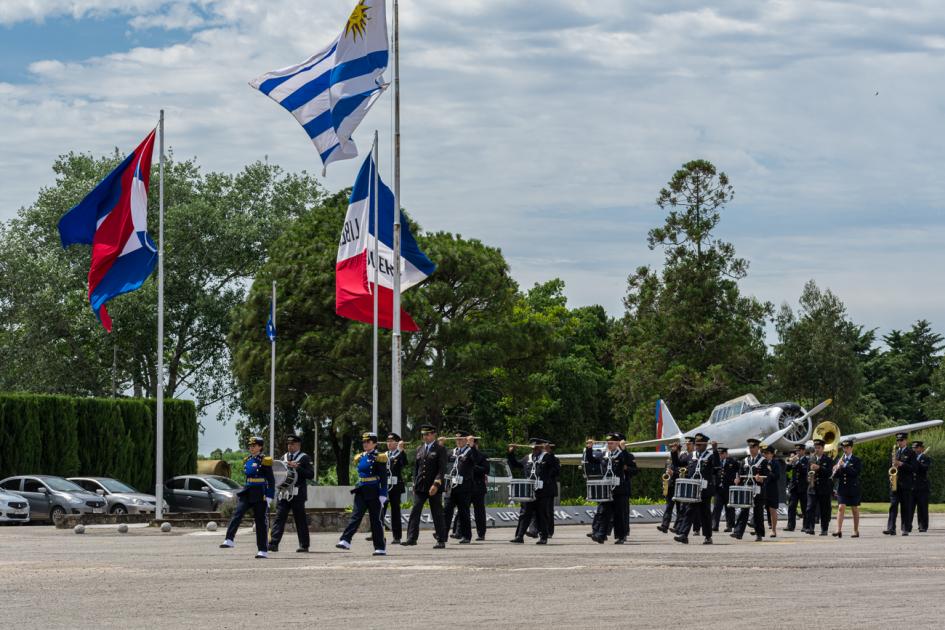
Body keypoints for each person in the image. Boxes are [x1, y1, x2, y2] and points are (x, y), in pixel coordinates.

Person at [220, 436, 275, 559]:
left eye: (254, 446)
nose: (251, 448)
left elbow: (271, 480)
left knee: (260, 521)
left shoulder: (265, 460)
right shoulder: (247, 460)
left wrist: (270, 496)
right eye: (250, 446)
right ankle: (229, 539)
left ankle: (263, 550)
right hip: (247, 491)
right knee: (237, 514)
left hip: (260, 492)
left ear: (260, 447)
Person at [336, 432, 389, 556]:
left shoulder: (379, 457)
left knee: (376, 520)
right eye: (364, 442)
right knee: (356, 516)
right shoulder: (360, 457)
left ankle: (380, 547)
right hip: (361, 489)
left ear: (374, 443)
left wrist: (383, 494)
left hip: (374, 491)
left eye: (368, 441)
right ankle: (345, 540)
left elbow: (384, 478)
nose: (365, 444)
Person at [404, 424, 449, 548]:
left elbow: (442, 469)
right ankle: (411, 538)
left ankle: (441, 539)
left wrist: (436, 483)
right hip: (421, 486)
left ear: (434, 434)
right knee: (415, 510)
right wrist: (414, 483)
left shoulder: (440, 449)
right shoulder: (420, 448)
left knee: (437, 512)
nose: (425, 436)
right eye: (423, 434)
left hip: (434, 486)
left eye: (427, 434)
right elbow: (417, 468)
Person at [268, 434, 315, 553]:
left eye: (292, 444)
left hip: (298, 493)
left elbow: (310, 474)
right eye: (288, 444)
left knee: (300, 520)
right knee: (279, 517)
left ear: (298, 445)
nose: (289, 446)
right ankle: (273, 543)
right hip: (284, 493)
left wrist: (297, 467)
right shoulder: (284, 457)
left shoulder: (304, 458)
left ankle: (304, 545)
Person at [508, 438, 559, 544]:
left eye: (536, 447)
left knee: (542, 514)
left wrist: (549, 452)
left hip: (542, 491)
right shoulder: (528, 458)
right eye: (533, 448)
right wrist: (511, 452)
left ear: (541, 448)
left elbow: (556, 469)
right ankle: (519, 536)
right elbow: (515, 464)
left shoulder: (547, 457)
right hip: (529, 490)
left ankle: (543, 537)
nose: (534, 450)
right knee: (525, 514)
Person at [588, 433, 637, 544]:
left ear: (617, 443)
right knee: (605, 513)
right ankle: (601, 535)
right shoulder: (605, 455)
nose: (609, 445)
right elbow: (592, 460)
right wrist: (589, 448)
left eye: (612, 443)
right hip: (607, 488)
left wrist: (624, 450)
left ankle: (621, 536)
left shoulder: (624, 455)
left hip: (620, 489)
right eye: (608, 443)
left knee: (620, 514)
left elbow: (633, 469)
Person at [674, 433, 720, 545]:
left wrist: (715, 450)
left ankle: (708, 537)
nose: (697, 447)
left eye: (699, 445)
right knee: (689, 511)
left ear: (705, 445)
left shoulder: (710, 456)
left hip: (705, 489)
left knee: (705, 513)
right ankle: (684, 535)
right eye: (696, 444)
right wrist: (674, 452)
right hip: (693, 489)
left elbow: (717, 466)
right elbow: (678, 463)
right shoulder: (691, 455)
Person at [732, 438, 768, 542]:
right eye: (750, 447)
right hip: (746, 489)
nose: (751, 449)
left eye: (753, 447)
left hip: (758, 490)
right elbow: (740, 473)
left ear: (758, 448)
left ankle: (759, 534)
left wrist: (761, 479)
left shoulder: (763, 461)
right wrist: (738, 479)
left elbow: (768, 476)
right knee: (744, 510)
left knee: (758, 513)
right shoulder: (745, 460)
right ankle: (738, 532)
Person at [443, 431, 476, 544]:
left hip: (464, 486)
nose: (458, 441)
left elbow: (476, 460)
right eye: (456, 439)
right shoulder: (452, 452)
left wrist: (472, 446)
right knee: (446, 510)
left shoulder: (470, 451)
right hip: (451, 486)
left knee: (463, 512)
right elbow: (441, 459)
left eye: (461, 439)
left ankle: (466, 536)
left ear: (466, 440)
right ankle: (442, 535)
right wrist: (440, 446)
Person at [885, 432, 917, 536]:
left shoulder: (911, 453)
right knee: (893, 505)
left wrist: (902, 464)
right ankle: (891, 528)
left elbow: (913, 468)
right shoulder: (895, 452)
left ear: (906, 441)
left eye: (901, 440)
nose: (899, 442)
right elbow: (890, 467)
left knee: (905, 507)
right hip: (895, 483)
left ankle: (905, 529)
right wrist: (891, 475)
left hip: (906, 484)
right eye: (898, 440)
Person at [657, 441, 690, 534]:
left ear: (679, 450)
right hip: (670, 485)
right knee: (669, 507)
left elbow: (685, 472)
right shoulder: (669, 461)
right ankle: (664, 525)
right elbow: (666, 472)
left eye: (674, 449)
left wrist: (674, 473)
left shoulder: (684, 458)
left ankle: (678, 527)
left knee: (680, 508)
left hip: (679, 486)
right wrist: (665, 478)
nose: (671, 451)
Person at [380, 433, 407, 544]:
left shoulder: (400, 454)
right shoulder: (384, 455)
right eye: (388, 441)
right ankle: (378, 534)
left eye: (391, 441)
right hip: (384, 486)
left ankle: (397, 537)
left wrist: (401, 450)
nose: (389, 443)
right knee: (381, 511)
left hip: (395, 486)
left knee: (395, 512)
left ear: (396, 443)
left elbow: (404, 463)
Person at [832, 439, 861, 538]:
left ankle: (855, 530)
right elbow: (836, 476)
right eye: (844, 448)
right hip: (842, 488)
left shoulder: (856, 460)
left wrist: (844, 466)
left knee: (854, 509)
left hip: (853, 488)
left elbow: (855, 473)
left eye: (847, 447)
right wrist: (836, 469)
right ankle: (838, 530)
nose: (845, 449)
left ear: (851, 448)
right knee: (841, 507)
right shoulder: (839, 460)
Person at [804, 439, 833, 536]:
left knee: (824, 509)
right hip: (812, 487)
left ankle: (824, 529)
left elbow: (830, 473)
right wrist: (809, 478)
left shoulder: (828, 460)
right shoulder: (811, 459)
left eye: (819, 448)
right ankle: (810, 528)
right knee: (810, 508)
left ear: (823, 448)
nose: (817, 450)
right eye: (815, 448)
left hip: (824, 488)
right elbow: (807, 473)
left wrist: (819, 468)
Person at [712, 446, 739, 532]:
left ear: (726, 454)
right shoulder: (716, 462)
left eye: (722, 453)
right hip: (718, 488)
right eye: (719, 454)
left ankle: (730, 526)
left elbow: (739, 470)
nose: (720, 455)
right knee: (717, 507)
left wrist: (737, 479)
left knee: (729, 508)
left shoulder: (732, 461)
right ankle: (714, 525)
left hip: (728, 488)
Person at [784, 444, 809, 532]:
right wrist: (790, 462)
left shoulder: (806, 460)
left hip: (803, 487)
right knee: (791, 506)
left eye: (799, 451)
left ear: (803, 451)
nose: (797, 453)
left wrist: (797, 462)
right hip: (794, 487)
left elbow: (804, 470)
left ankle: (806, 526)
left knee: (804, 507)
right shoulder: (794, 460)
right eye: (797, 451)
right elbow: (787, 469)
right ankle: (790, 526)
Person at [761, 445, 781, 537]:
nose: (765, 455)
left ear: (772, 454)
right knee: (759, 508)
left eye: (767, 453)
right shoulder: (761, 462)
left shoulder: (775, 463)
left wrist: (769, 472)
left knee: (772, 509)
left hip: (772, 489)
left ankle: (773, 530)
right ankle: (758, 528)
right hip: (762, 488)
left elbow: (777, 476)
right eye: (764, 453)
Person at [913, 441, 931, 533]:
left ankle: (923, 526)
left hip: (922, 487)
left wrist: (917, 462)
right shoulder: (911, 458)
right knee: (909, 508)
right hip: (912, 486)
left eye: (917, 448)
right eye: (914, 448)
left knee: (922, 508)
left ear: (922, 448)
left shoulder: (926, 458)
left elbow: (924, 469)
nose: (915, 449)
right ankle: (907, 526)